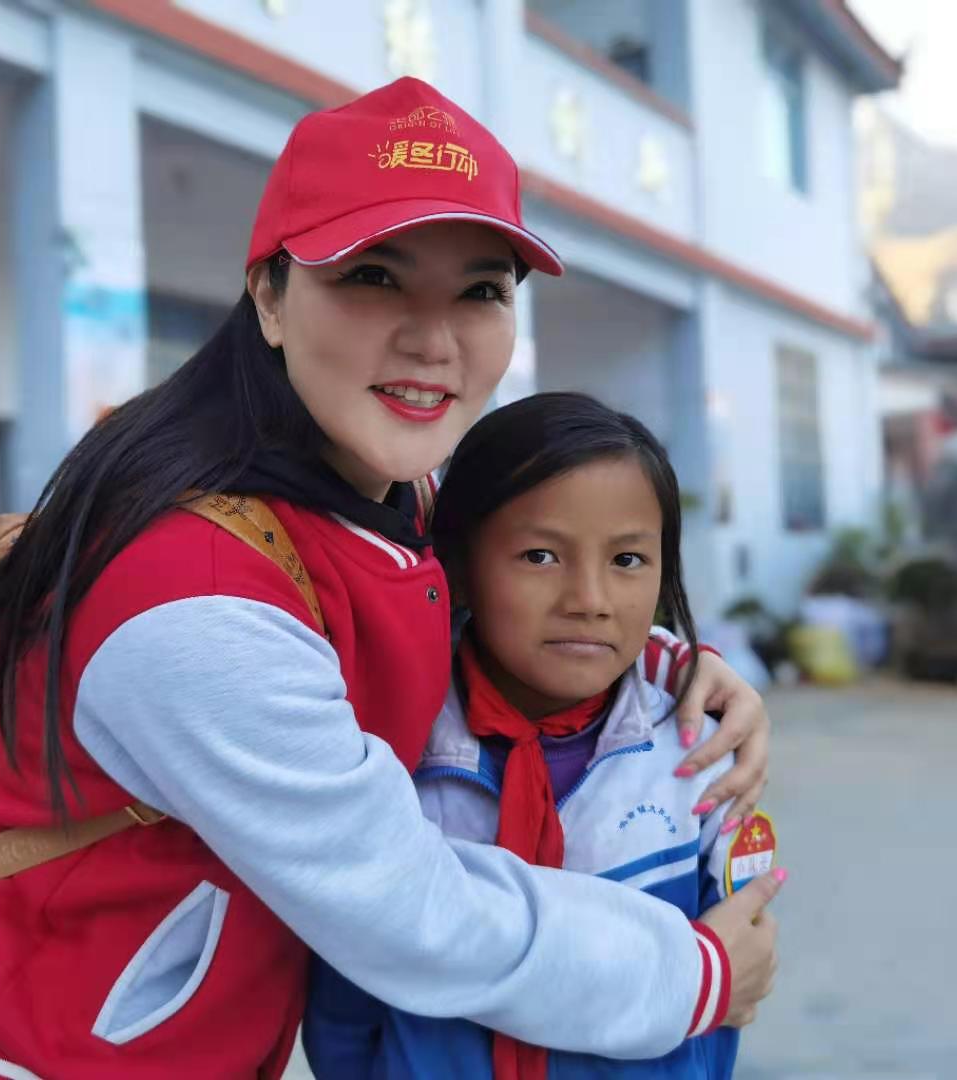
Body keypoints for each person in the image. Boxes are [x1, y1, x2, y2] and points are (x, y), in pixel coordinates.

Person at [0, 78, 779, 1079]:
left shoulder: (383, 491)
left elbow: (503, 593)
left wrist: (671, 667)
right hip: (48, 1059)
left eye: (481, 291)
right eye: (373, 276)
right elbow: (411, 911)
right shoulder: (193, 597)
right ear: (270, 297)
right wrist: (694, 976)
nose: (433, 340)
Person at [305, 393, 782, 1079]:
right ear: (459, 564)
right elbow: (347, 986)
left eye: (627, 560)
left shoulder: (698, 756)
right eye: (539, 555)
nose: (589, 599)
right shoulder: (391, 751)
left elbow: (729, 986)